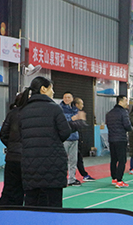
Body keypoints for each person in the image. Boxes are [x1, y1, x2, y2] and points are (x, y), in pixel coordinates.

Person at [19, 77, 86, 207]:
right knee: (53, 205)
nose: (53, 92)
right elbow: (64, 132)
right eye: (51, 89)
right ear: (43, 89)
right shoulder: (55, 109)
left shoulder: (24, 110)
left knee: (32, 204)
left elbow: (21, 135)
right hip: (52, 164)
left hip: (30, 164)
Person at [0, 93, 26, 206]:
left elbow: (3, 134)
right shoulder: (31, 114)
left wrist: (12, 146)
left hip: (12, 158)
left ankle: (2, 212)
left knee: (9, 190)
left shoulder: (12, 113)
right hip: (27, 159)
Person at [105, 95, 132, 188]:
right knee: (122, 160)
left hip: (111, 139)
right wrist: (131, 128)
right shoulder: (123, 112)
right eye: (125, 100)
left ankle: (114, 178)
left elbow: (108, 125)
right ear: (120, 101)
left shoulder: (109, 113)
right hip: (121, 139)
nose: (127, 102)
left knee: (113, 159)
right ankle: (119, 180)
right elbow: (127, 125)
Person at [61, 91, 82, 186]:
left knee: (73, 160)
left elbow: (79, 122)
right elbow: (63, 122)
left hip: (74, 138)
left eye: (69, 97)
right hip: (64, 138)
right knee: (62, 160)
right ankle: (62, 178)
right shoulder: (60, 108)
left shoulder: (75, 109)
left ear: (72, 99)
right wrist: (72, 119)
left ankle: (72, 179)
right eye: (65, 97)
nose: (67, 99)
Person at [73, 97, 95, 182]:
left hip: (78, 139)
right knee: (74, 159)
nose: (83, 106)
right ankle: (72, 178)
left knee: (78, 158)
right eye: (81, 104)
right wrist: (81, 120)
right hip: (72, 140)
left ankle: (84, 175)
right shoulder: (74, 114)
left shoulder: (79, 114)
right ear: (77, 104)